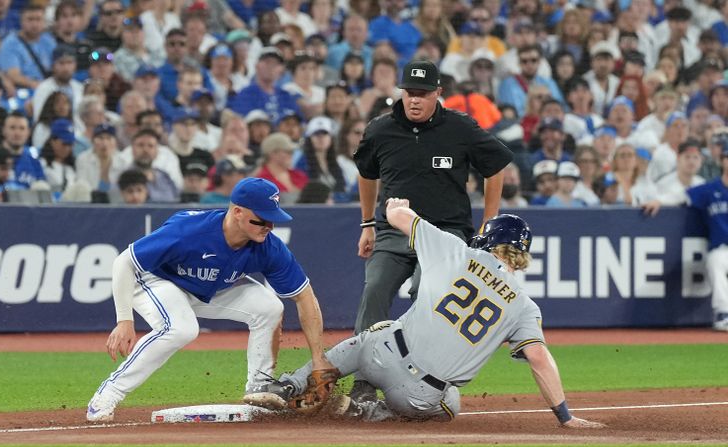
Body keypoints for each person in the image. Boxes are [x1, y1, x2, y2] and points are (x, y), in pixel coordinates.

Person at [257, 201, 606, 427]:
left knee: (372, 334)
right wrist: (565, 416)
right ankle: (369, 412)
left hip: (380, 354)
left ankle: (290, 384)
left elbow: (400, 218)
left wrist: (397, 206)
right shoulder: (525, 307)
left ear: (486, 240)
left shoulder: (456, 252)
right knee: (452, 402)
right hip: (416, 394)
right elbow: (538, 358)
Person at [86, 177, 333, 421]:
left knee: (269, 307)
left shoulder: (269, 247)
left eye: (273, 219)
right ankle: (107, 395)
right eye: (261, 219)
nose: (268, 226)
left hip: (208, 288)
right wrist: (124, 321)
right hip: (156, 280)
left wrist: (318, 358)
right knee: (182, 329)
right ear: (237, 212)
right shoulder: (191, 232)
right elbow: (124, 262)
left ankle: (259, 387)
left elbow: (305, 297)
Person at [351, 59, 511, 400]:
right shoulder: (380, 129)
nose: (414, 100)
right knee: (375, 289)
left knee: (428, 292)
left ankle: (417, 375)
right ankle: (363, 382)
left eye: (422, 94)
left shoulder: (460, 128)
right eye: (409, 92)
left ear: (439, 93)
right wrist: (367, 224)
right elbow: (366, 173)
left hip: (445, 232)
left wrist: (489, 222)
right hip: (394, 231)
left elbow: (495, 166)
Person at [687, 144, 728, 332]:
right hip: (722, 248)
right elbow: (681, 196)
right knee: (715, 262)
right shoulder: (709, 189)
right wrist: (658, 201)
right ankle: (723, 313)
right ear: (722, 161)